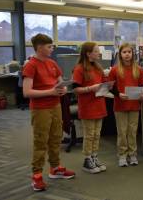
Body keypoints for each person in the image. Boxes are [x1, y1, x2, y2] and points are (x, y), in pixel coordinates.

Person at [23, 33, 75, 192]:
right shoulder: (31, 65)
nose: (52, 49)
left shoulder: (52, 63)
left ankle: (55, 168)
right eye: (49, 46)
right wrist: (50, 92)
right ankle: (37, 175)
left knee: (56, 138)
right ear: (39, 48)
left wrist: (63, 88)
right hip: (40, 109)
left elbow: (60, 82)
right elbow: (27, 92)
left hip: (55, 106)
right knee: (41, 141)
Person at [108, 43, 143, 167]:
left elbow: (141, 86)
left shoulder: (138, 69)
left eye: (129, 52)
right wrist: (118, 94)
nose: (127, 54)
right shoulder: (115, 70)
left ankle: (133, 154)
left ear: (133, 54)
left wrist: (141, 93)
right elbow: (110, 87)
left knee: (132, 131)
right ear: (120, 54)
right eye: (124, 52)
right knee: (122, 132)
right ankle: (122, 155)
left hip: (134, 105)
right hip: (120, 105)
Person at [72, 42, 107, 174]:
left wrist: (107, 86)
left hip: (99, 104)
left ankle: (94, 156)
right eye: (96, 51)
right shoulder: (79, 69)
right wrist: (90, 88)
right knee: (89, 135)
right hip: (87, 106)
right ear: (88, 53)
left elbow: (103, 82)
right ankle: (87, 159)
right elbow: (75, 89)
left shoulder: (98, 67)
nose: (99, 53)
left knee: (97, 134)